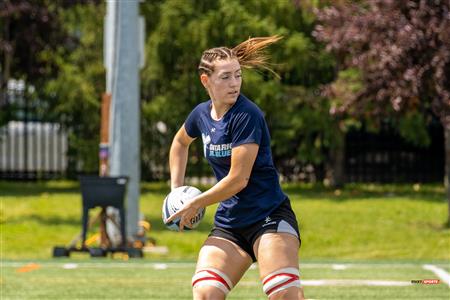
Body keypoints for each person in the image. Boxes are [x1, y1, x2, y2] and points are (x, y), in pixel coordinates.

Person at [166, 35, 305, 300]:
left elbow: (238, 179)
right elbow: (179, 143)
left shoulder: (246, 115)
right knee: (206, 292)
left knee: (283, 293)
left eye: (238, 76)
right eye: (226, 77)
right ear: (206, 81)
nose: (234, 84)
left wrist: (197, 203)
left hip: (270, 217)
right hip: (231, 224)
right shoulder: (201, 115)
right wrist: (177, 192)